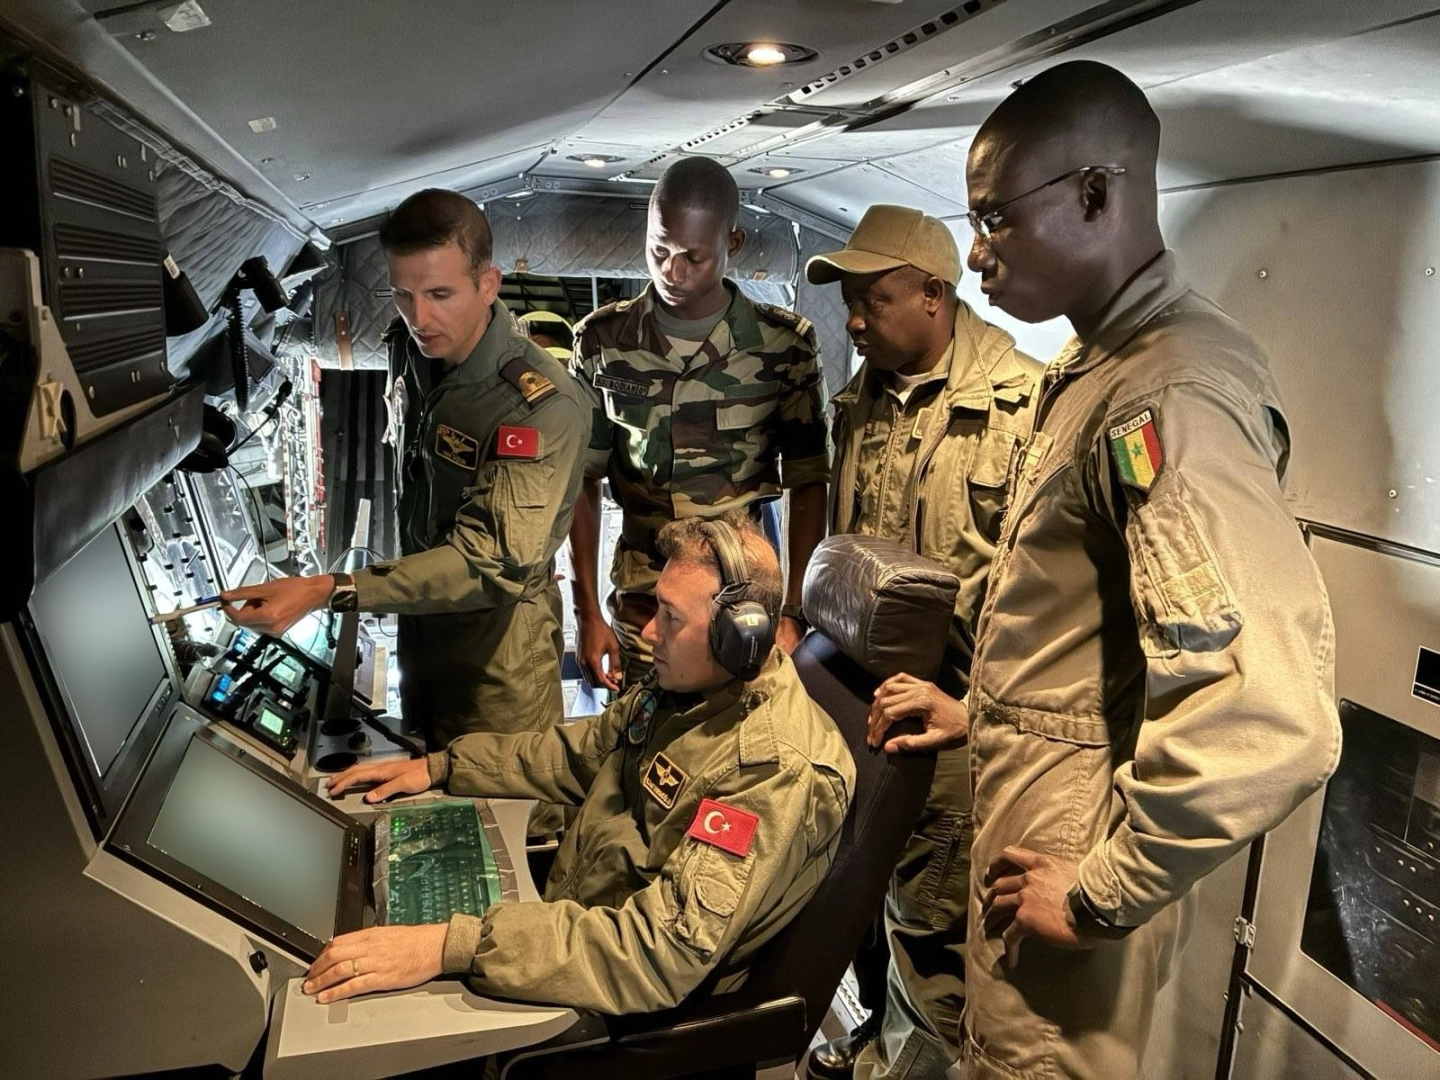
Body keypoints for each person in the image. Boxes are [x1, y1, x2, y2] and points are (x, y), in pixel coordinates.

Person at [867, 61, 1342, 1079]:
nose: (978, 255)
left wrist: (1100, 893)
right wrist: (980, 707)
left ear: (1094, 194)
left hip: (1069, 854)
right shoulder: (1100, 369)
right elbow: (1092, 627)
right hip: (1037, 815)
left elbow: (1270, 717)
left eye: (996, 218)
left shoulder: (1168, 394)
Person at [307, 511, 855, 1016]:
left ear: (738, 639)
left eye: (670, 617)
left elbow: (660, 953)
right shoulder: (691, 691)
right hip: (571, 927)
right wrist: (445, 766)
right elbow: (584, 752)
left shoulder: (771, 770)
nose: (649, 632)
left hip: (625, 1005)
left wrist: (454, 945)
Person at [221, 189, 590, 755]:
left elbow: (485, 565)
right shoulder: (413, 351)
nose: (419, 317)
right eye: (401, 294)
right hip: (421, 650)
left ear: (488, 285)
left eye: (440, 294)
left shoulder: (539, 406)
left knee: (501, 811)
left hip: (496, 681)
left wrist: (327, 590)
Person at [803, 206, 1041, 1080]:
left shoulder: (1022, 407)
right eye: (849, 302)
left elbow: (1046, 606)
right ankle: (874, 1041)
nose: (854, 321)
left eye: (873, 300)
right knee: (864, 906)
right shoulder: (864, 398)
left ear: (935, 295)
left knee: (927, 936)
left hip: (950, 723)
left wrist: (974, 710)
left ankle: (903, 1066)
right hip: (863, 699)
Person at [569, 156, 830, 693]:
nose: (672, 272)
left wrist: (794, 613)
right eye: (659, 251)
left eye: (693, 257)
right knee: (640, 739)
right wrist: (586, 611)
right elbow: (582, 482)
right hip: (646, 602)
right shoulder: (603, 342)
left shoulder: (783, 346)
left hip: (743, 604)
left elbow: (809, 483)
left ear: (732, 243)